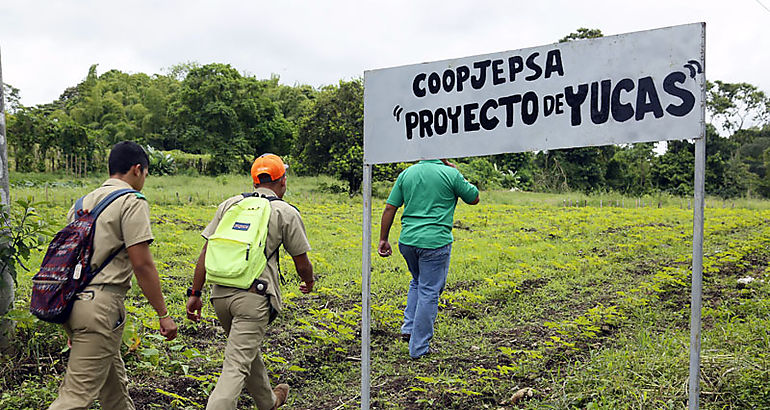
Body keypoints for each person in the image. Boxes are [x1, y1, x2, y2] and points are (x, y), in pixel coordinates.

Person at [48, 141, 178, 410]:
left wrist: (72, 323)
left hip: (73, 303)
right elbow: (142, 264)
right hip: (101, 308)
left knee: (114, 391)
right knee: (73, 399)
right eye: (145, 173)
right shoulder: (131, 201)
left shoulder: (81, 204)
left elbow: (68, 261)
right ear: (137, 169)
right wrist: (163, 313)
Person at [185, 153, 314, 410]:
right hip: (254, 298)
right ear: (283, 181)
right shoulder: (284, 211)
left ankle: (269, 401)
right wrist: (308, 281)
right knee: (235, 366)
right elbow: (301, 261)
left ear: (255, 181)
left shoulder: (230, 205)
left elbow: (205, 251)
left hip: (219, 294)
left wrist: (195, 292)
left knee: (244, 351)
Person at [377, 158, 479, 359]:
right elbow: (473, 198)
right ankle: (419, 348)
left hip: (407, 241)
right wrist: (457, 173)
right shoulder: (451, 174)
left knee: (417, 281)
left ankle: (408, 328)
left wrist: (383, 238)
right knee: (429, 291)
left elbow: (390, 208)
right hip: (435, 243)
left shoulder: (407, 173)